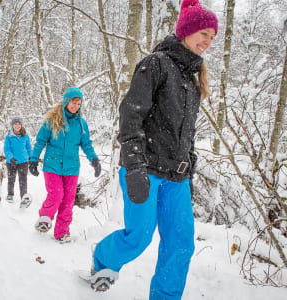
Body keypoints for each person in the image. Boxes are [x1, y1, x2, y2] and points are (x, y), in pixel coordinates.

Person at [88, 0, 218, 298]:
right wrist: (133, 167)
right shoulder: (156, 64)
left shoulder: (193, 81)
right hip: (145, 168)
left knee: (181, 243)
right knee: (139, 236)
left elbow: (189, 132)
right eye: (203, 33)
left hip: (177, 178)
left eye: (212, 37)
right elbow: (131, 116)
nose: (207, 42)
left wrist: (191, 163)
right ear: (186, 30)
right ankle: (103, 259)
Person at [29, 87, 101, 243]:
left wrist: (94, 160)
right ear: (66, 102)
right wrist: (33, 159)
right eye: (73, 103)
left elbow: (86, 144)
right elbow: (41, 140)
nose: (76, 106)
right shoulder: (52, 120)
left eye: (78, 104)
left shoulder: (81, 124)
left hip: (72, 168)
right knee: (56, 194)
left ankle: (62, 232)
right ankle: (44, 219)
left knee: (68, 201)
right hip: (52, 165)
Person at [4, 117, 32, 207]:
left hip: (23, 161)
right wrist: (10, 157)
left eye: (19, 124)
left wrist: (31, 157)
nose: (17, 125)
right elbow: (6, 149)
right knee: (11, 179)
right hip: (11, 161)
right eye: (15, 124)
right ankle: (10, 195)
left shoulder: (25, 136)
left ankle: (24, 197)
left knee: (23, 180)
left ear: (21, 125)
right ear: (13, 125)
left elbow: (28, 148)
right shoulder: (9, 136)